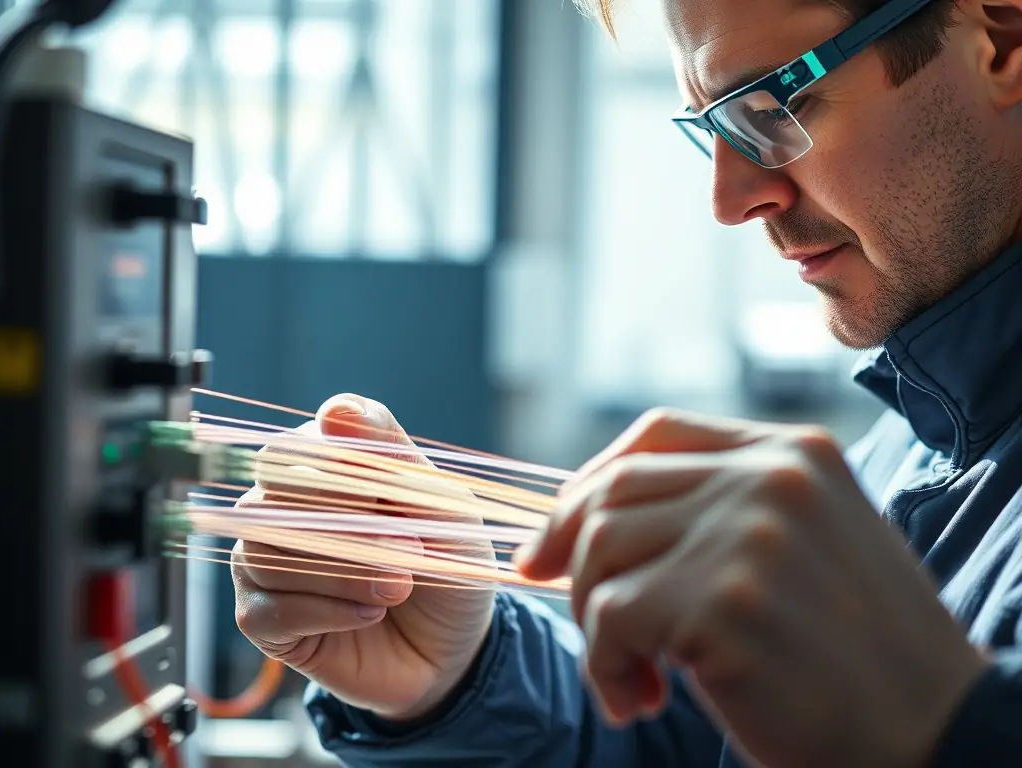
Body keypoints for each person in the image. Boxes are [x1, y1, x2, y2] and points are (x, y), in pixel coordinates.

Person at [230, 0, 1022, 764]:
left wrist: (941, 730)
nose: (732, 200)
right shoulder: (926, 438)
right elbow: (684, 742)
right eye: (712, 125)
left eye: (776, 106)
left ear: (1000, 39)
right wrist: (457, 674)